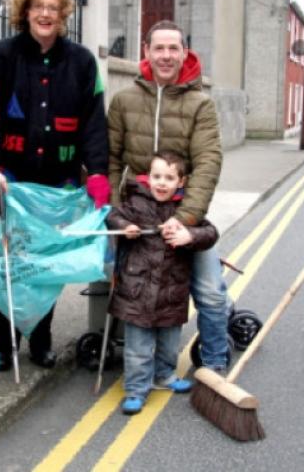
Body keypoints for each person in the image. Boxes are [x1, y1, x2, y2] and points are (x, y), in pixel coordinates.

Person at [0, 0, 109, 371]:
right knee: (8, 264)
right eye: (38, 6)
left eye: (53, 7)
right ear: (25, 11)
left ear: (63, 13)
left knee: (46, 266)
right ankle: (2, 342)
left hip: (57, 188)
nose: (45, 14)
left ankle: (41, 340)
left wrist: (96, 172)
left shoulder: (82, 62)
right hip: (7, 184)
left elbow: (94, 123)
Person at [107, 20, 230, 371]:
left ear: (184, 53)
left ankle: (215, 364)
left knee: (208, 291)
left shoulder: (200, 104)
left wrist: (186, 220)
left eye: (173, 48)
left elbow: (208, 163)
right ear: (146, 52)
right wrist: (119, 213)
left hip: (183, 212)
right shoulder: (123, 100)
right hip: (138, 214)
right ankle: (140, 364)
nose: (165, 55)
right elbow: (112, 159)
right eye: (158, 48)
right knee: (128, 287)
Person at [108, 151, 218, 415]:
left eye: (169, 178)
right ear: (148, 177)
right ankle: (136, 389)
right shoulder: (136, 203)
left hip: (172, 291)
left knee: (169, 342)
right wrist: (125, 226)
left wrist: (189, 236)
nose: (161, 183)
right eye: (157, 176)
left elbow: (210, 233)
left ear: (181, 181)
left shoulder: (186, 211)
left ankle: (165, 376)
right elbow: (113, 216)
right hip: (137, 291)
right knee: (138, 348)